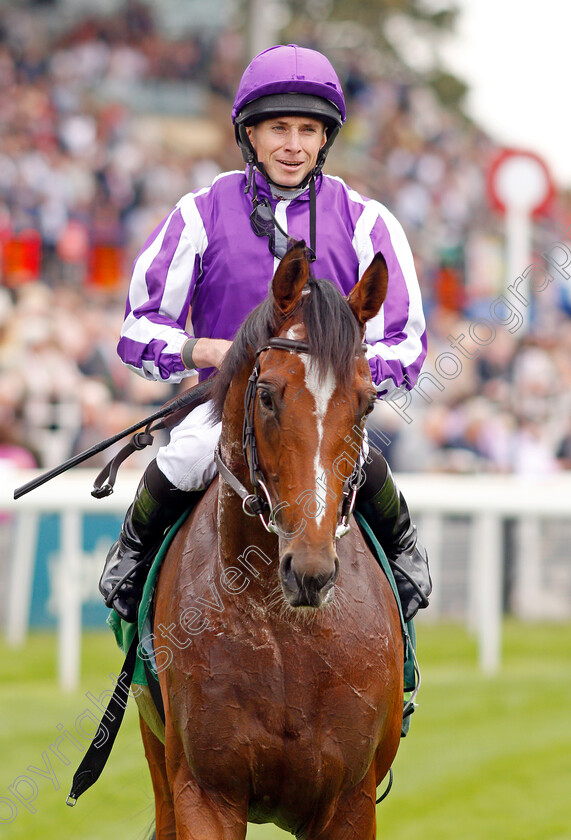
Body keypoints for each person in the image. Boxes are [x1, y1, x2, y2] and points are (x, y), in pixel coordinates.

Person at [99, 44, 431, 625]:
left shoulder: (367, 221)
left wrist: (327, 378)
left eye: (308, 129)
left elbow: (405, 344)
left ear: (325, 139)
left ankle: (405, 563)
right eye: (278, 127)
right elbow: (136, 328)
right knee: (187, 456)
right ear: (249, 134)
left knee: (361, 464)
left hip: (324, 410)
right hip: (222, 408)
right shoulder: (199, 213)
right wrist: (199, 350)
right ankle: (131, 563)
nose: (294, 145)